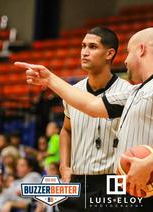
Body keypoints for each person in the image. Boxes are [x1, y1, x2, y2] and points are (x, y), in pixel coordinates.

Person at [16, 27, 153, 211]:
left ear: (141, 50)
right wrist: (50, 79)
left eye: (128, 52)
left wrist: (148, 163)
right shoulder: (138, 91)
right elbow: (93, 106)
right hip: (133, 184)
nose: (125, 60)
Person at [58, 26, 132, 211]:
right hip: (77, 181)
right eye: (83, 46)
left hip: (113, 182)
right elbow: (66, 130)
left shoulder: (129, 93)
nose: (84, 52)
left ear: (109, 53)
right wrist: (64, 166)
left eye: (92, 47)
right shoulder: (72, 92)